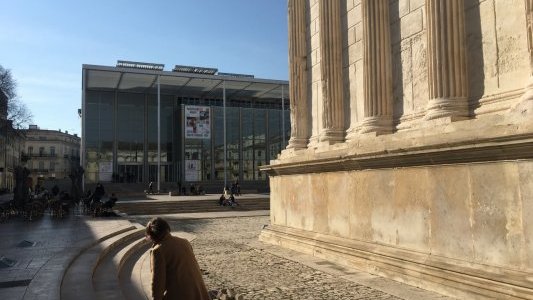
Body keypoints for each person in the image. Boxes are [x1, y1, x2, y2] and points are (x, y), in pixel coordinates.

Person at [145, 217, 210, 300]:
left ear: (152, 235)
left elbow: (158, 284)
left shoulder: (158, 250)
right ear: (167, 229)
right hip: (199, 293)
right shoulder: (184, 242)